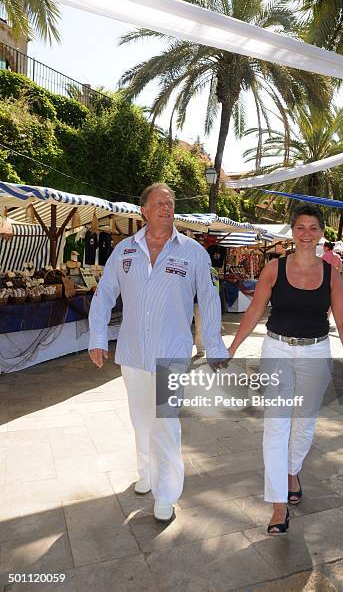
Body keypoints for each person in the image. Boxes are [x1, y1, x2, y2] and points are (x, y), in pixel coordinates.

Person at [88, 183, 228, 522]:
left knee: (165, 423)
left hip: (172, 354)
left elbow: (209, 300)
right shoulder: (124, 251)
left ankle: (166, 493)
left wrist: (214, 345)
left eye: (170, 203)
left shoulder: (193, 252)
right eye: (159, 203)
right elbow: (104, 293)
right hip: (133, 352)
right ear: (144, 211)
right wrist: (96, 337)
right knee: (140, 421)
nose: (166, 207)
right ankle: (146, 473)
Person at [228, 203, 343, 536]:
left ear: (321, 233)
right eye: (300, 227)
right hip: (277, 349)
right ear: (292, 230)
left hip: (316, 352)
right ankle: (278, 505)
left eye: (313, 228)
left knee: (304, 423)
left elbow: (342, 318)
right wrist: (232, 347)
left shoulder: (331, 274)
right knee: (276, 426)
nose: (306, 234)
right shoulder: (273, 268)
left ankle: (291, 470)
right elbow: (255, 310)